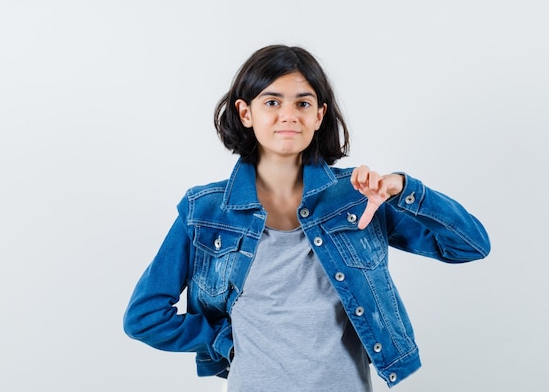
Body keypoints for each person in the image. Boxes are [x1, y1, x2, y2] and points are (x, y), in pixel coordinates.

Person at [123, 44, 490, 391]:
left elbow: (469, 246)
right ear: (245, 113)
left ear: (319, 116)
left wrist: (404, 189)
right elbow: (145, 316)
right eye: (272, 101)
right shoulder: (205, 211)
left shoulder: (359, 197)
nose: (288, 115)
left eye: (303, 103)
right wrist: (222, 341)